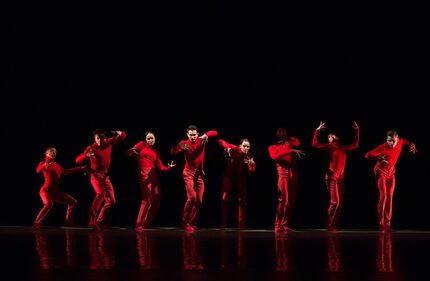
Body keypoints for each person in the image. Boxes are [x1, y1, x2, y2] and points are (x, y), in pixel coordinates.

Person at [365, 129, 417, 232]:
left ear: (397, 138)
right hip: (381, 171)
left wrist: (412, 145)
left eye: (393, 140)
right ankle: (381, 224)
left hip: (391, 173)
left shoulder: (400, 141)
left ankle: (387, 224)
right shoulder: (383, 146)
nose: (391, 143)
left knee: (390, 197)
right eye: (389, 140)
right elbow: (367, 155)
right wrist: (378, 158)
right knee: (383, 196)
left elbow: (408, 142)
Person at [312, 121, 360, 231]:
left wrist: (357, 130)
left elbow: (355, 144)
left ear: (337, 137)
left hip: (341, 179)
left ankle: (334, 224)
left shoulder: (344, 148)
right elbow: (314, 144)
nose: (330, 136)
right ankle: (330, 225)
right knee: (335, 202)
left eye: (332, 134)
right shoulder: (329, 147)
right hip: (331, 177)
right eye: (328, 136)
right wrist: (317, 130)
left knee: (340, 203)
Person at [75, 129, 126, 229]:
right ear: (94, 139)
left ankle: (99, 221)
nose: (99, 141)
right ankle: (91, 220)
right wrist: (86, 155)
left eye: (101, 138)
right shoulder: (91, 148)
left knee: (111, 201)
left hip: (105, 176)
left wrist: (116, 132)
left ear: (105, 138)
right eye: (97, 138)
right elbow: (77, 160)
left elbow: (123, 136)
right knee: (100, 194)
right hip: (95, 175)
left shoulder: (108, 142)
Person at [126, 131, 176, 232]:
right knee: (147, 199)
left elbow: (161, 167)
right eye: (148, 138)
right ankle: (139, 223)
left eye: (152, 138)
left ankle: (146, 223)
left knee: (157, 198)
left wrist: (169, 167)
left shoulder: (156, 153)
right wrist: (131, 151)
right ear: (145, 139)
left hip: (154, 176)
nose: (150, 140)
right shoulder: (142, 145)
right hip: (144, 175)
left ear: (155, 139)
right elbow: (128, 153)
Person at [170, 125, 218, 231]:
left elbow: (215, 132)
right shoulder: (184, 143)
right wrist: (179, 147)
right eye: (190, 135)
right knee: (191, 198)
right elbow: (172, 151)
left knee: (199, 200)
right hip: (188, 173)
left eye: (194, 135)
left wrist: (206, 135)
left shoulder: (201, 140)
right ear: (187, 134)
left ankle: (192, 222)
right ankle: (185, 223)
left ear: (197, 134)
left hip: (199, 175)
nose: (192, 137)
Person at [33, 147, 85, 230]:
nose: (53, 153)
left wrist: (79, 168)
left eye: (54, 152)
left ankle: (68, 223)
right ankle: (36, 223)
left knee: (73, 202)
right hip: (45, 191)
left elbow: (66, 172)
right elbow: (37, 170)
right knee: (49, 204)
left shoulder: (56, 164)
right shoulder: (43, 163)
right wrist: (43, 165)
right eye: (50, 152)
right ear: (46, 154)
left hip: (55, 192)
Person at [268, 128, 305, 232]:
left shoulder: (289, 143)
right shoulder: (272, 146)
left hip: (293, 173)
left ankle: (284, 224)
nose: (281, 133)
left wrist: (288, 141)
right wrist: (290, 150)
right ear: (275, 134)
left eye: (283, 131)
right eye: (279, 131)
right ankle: (277, 225)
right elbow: (275, 156)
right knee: (283, 200)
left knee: (291, 200)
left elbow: (297, 142)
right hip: (283, 173)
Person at [217, 138, 256, 230]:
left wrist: (252, 164)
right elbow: (220, 141)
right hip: (229, 177)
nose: (246, 148)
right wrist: (227, 148)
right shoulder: (234, 148)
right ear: (240, 146)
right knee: (224, 199)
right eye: (244, 146)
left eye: (248, 146)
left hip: (240, 179)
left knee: (242, 201)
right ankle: (223, 224)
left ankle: (241, 225)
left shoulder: (249, 156)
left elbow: (252, 172)